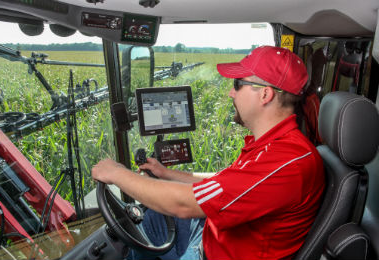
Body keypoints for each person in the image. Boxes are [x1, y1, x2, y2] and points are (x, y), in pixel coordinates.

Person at [92, 46, 325, 260]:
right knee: (151, 219)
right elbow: (222, 184)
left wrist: (117, 174)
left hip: (212, 254)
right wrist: (165, 173)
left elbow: (182, 205)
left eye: (237, 84)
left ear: (265, 94)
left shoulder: (286, 161)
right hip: (213, 233)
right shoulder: (273, 145)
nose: (231, 94)